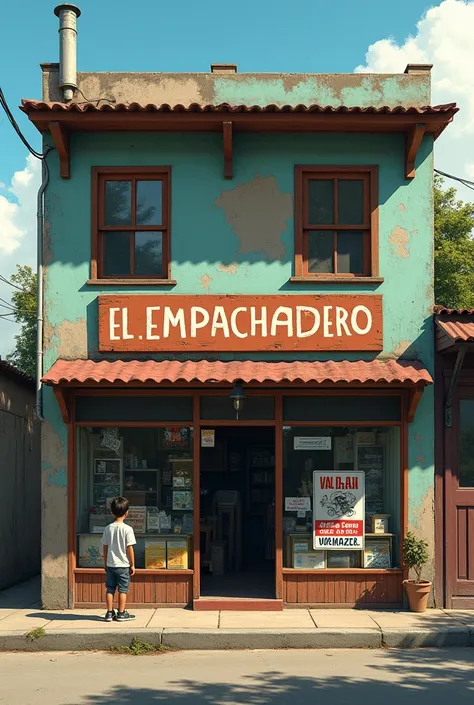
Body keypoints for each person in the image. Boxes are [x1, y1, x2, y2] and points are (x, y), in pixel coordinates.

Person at [101, 496, 136, 622]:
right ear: (127, 512)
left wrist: (105, 562)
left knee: (110, 588)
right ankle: (121, 613)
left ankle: (109, 612)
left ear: (112, 512)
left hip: (111, 564)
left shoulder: (108, 528)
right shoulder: (128, 529)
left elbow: (105, 547)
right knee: (123, 590)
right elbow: (129, 548)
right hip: (123, 565)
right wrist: (132, 564)